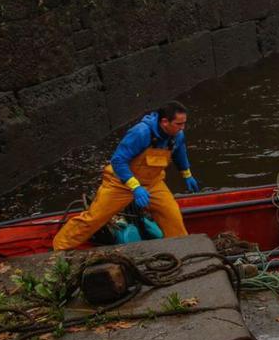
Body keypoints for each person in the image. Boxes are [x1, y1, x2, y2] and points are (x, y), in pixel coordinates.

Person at [53, 101, 201, 250]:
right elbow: (118, 161)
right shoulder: (141, 133)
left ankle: (182, 250)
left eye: (184, 123)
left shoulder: (177, 135)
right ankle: (58, 250)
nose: (182, 128)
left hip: (153, 183)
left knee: (172, 216)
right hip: (120, 184)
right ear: (164, 122)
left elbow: (179, 152)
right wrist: (135, 187)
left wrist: (187, 174)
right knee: (94, 218)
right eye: (179, 124)